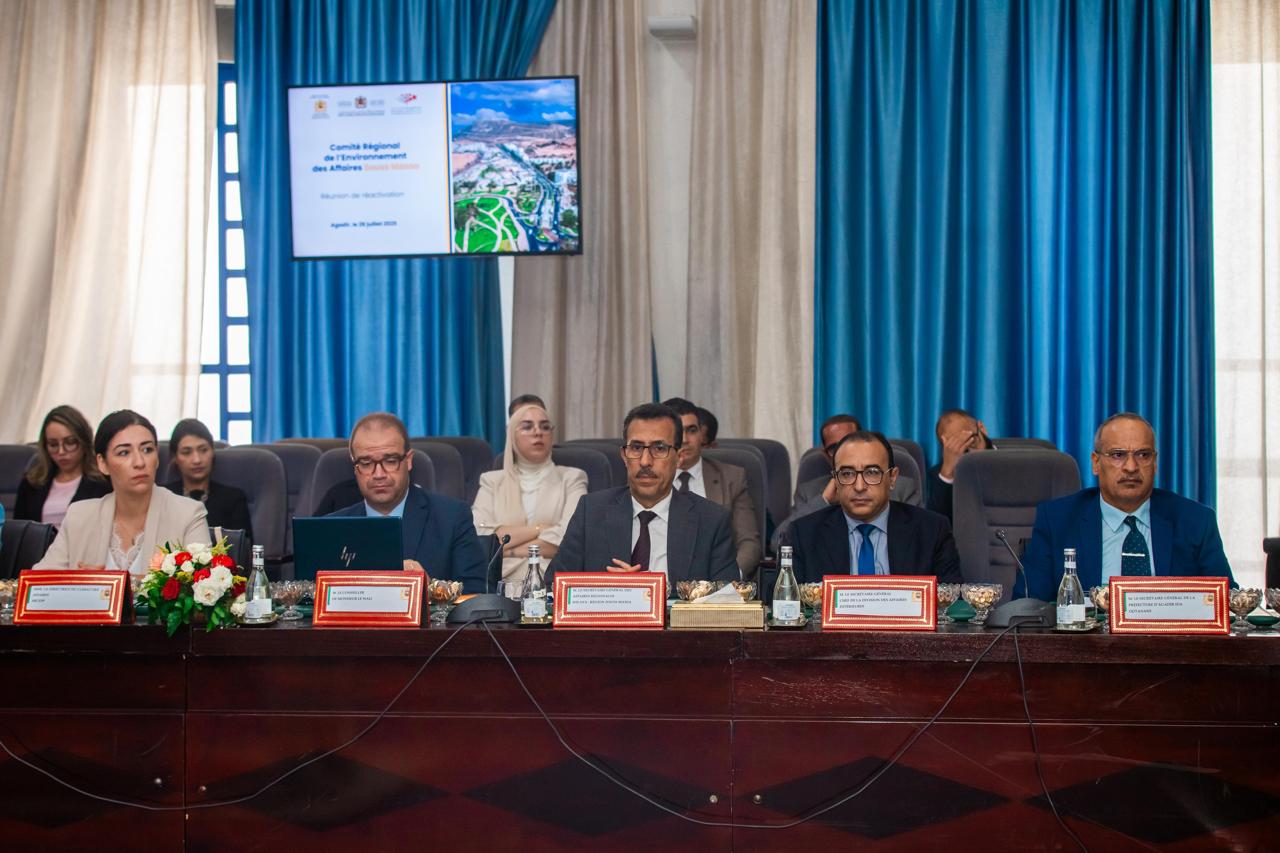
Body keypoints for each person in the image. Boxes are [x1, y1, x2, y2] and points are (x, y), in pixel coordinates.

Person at [1019, 413, 1234, 600]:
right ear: (1096, 463)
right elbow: (1028, 607)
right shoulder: (1057, 520)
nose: (1131, 467)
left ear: (1155, 463)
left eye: (1143, 455)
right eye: (1118, 455)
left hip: (1171, 634)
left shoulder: (1195, 521)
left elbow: (1226, 603)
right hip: (1090, 635)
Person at [546, 403, 738, 586]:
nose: (645, 461)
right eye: (636, 448)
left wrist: (650, 590)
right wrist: (608, 590)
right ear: (624, 456)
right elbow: (553, 585)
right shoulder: (592, 511)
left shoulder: (711, 520)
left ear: (678, 457)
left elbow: (726, 598)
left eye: (659, 448)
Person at [35, 410, 209, 578]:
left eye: (147, 450)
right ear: (103, 463)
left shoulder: (188, 514)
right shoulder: (79, 516)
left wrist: (112, 583)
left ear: (157, 458)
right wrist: (82, 583)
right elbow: (38, 584)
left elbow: (201, 585)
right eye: (124, 453)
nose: (139, 462)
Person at [327, 412, 487, 593]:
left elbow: (475, 595)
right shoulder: (331, 528)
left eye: (390, 461)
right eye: (366, 463)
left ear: (408, 461)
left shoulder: (452, 518)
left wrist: (431, 589)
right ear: (354, 467)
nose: (378, 474)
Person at [785, 431, 962, 584]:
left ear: (892, 478)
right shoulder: (803, 534)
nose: (859, 486)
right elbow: (784, 603)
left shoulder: (932, 531)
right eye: (847, 474)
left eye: (872, 473)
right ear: (836, 480)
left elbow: (952, 602)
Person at [471, 403, 588, 582]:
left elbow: (571, 539)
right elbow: (481, 536)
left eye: (545, 427)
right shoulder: (491, 481)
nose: (538, 432)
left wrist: (508, 550)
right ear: (512, 435)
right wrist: (539, 529)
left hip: (551, 579)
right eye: (527, 427)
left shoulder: (572, 478)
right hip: (501, 581)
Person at [771, 414, 920, 551]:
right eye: (834, 447)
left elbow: (920, 541)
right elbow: (778, 543)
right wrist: (824, 500)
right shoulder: (809, 492)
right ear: (826, 455)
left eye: (850, 442)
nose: (859, 487)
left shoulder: (902, 487)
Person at [662, 397, 762, 578]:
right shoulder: (648, 479)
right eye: (677, 432)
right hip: (662, 579)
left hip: (716, 581)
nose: (684, 439)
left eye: (692, 430)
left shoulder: (732, 478)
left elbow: (749, 543)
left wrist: (727, 581)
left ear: (702, 434)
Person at [15, 405, 112, 527]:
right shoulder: (32, 482)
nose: (61, 451)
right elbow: (19, 530)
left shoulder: (104, 482)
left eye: (70, 442)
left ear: (84, 441)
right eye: (53, 444)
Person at [164, 419, 253, 540]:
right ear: (174, 457)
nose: (197, 460)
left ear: (212, 452)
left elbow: (243, 547)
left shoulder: (233, 499)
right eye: (187, 452)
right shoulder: (163, 497)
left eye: (203, 450)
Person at [926, 408, 995, 520]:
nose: (970, 454)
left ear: (982, 429)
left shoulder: (1015, 463)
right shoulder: (936, 478)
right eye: (957, 447)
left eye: (972, 442)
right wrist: (947, 473)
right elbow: (935, 525)